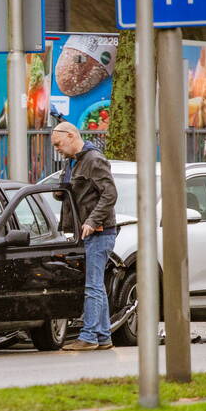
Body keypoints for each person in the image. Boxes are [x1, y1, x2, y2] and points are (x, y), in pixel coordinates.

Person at [51, 122, 118, 351]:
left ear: (71, 136)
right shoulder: (73, 162)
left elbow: (110, 194)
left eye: (58, 144)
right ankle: (103, 336)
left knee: (93, 286)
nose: (57, 149)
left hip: (99, 232)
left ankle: (88, 336)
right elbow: (74, 194)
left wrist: (92, 221)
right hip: (88, 232)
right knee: (96, 285)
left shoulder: (93, 160)